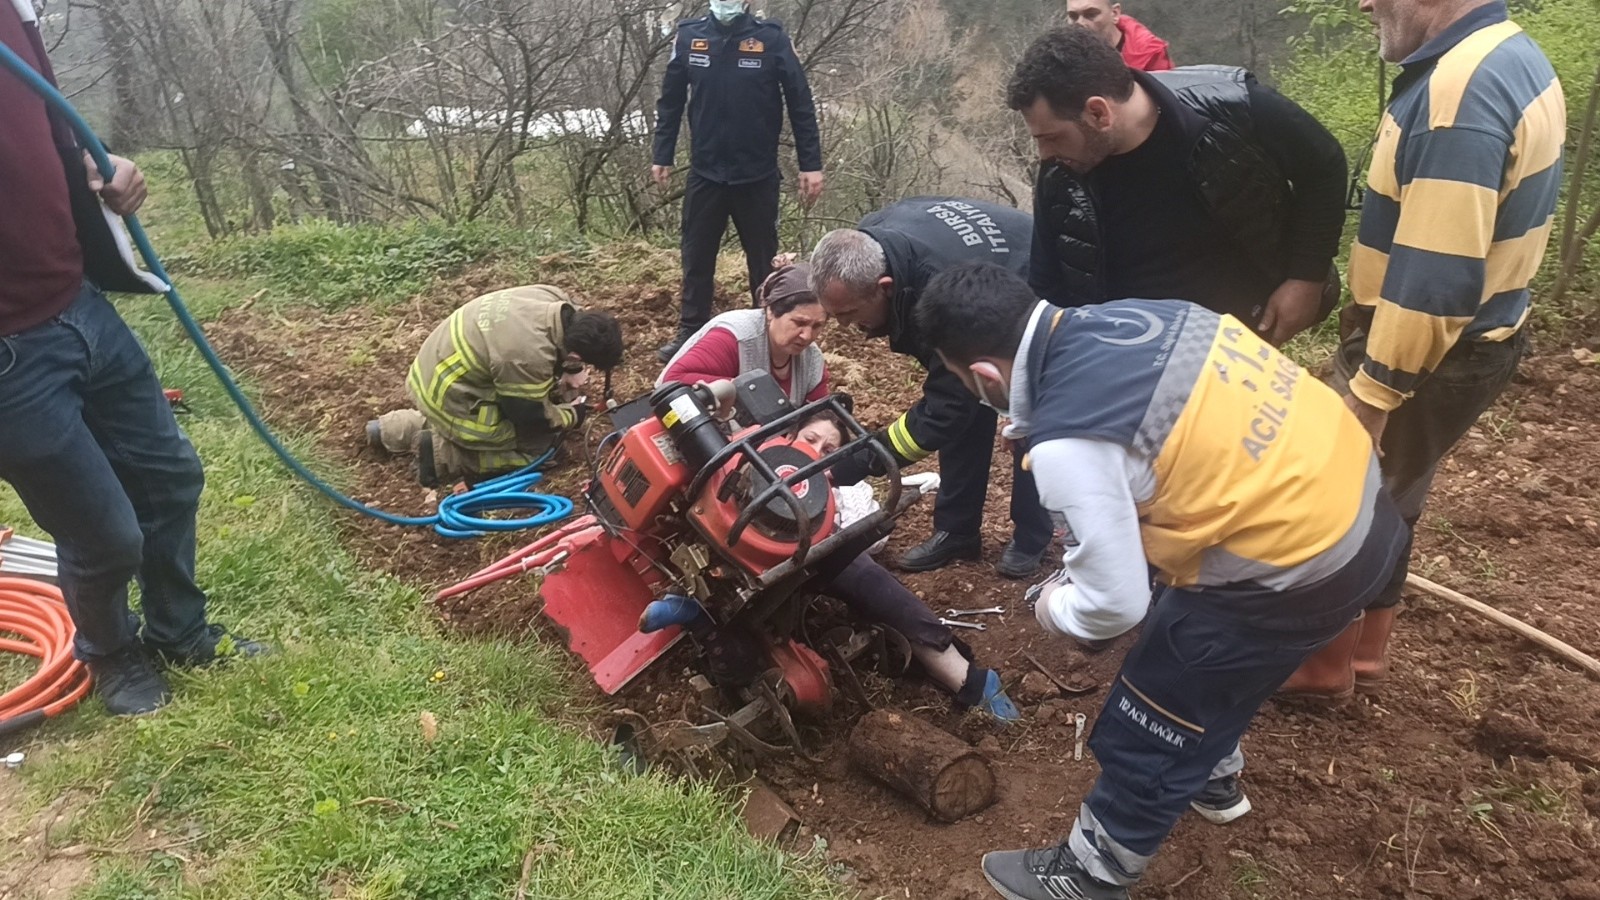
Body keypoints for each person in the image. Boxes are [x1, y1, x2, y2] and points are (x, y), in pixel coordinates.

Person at [916, 264, 1406, 900]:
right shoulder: (1144, 314)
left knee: (1157, 703)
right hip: (1365, 514)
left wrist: (1054, 606)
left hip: (1295, 564)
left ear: (984, 375)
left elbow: (1114, 605)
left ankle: (1094, 871)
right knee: (1223, 667)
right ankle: (1214, 778)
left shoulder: (1071, 439)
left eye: (964, 381)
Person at [1280, 0, 1565, 697]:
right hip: (1474, 342)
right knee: (1395, 497)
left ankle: (1319, 667)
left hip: (1422, 351)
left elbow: (1434, 277)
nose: (1366, 4)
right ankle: (1364, 653)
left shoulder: (1459, 94)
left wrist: (1373, 393)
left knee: (1343, 498)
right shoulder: (1506, 53)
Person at [0, 0, 266, 716]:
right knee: (103, 532)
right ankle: (113, 656)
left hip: (78, 301)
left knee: (169, 477)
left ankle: (181, 632)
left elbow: (49, 130)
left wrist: (101, 163)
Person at [1010, 27, 1347, 346]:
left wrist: (1306, 278)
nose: (1044, 155)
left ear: (1098, 113)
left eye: (1052, 137)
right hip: (1135, 360)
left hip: (1246, 341)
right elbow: (1047, 284)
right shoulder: (1062, 171)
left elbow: (1323, 166)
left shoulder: (1231, 108)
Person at [810, 198, 1055, 580]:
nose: (843, 326)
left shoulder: (938, 292)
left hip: (1041, 277)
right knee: (964, 391)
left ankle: (1031, 535)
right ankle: (957, 531)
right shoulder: (872, 238)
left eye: (849, 314)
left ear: (884, 287)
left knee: (1030, 409)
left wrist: (861, 461)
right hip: (978, 271)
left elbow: (945, 411)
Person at [788, 412, 1020, 722]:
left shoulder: (835, 498)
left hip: (812, 550)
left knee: (869, 577)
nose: (815, 454)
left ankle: (963, 675)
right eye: (810, 439)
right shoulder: (747, 466)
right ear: (789, 438)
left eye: (830, 451)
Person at [652, 0, 824, 363]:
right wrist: (662, 153)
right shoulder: (689, 38)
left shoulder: (770, 39)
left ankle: (765, 332)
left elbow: (801, 103)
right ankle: (690, 331)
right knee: (697, 256)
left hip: (757, 175)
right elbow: (669, 101)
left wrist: (811, 164)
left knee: (762, 263)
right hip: (706, 172)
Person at [369, 286, 623, 487]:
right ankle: (440, 456)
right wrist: (570, 416)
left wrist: (572, 369)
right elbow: (528, 417)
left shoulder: (553, 299)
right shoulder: (526, 354)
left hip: (433, 368)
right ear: (577, 354)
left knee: (543, 397)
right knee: (541, 446)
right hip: (450, 396)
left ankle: (394, 428)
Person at [658, 262, 830, 406]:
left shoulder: (812, 360)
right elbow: (671, 381)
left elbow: (819, 414)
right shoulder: (735, 337)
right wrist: (747, 391)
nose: (807, 336)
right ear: (771, 311)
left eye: (817, 326)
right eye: (799, 323)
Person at [1066, 0, 1173, 71]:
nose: (1080, 23)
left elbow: (1167, 100)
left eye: (1091, 14)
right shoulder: (1063, 54)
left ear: (1115, 13)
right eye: (1073, 16)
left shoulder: (1150, 54)